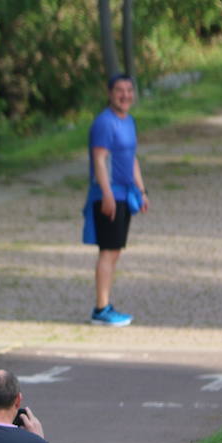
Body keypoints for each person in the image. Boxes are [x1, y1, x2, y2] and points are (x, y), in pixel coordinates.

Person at [83, 73, 150, 327]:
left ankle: (105, 304)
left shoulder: (129, 121)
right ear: (110, 93)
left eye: (129, 90)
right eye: (119, 90)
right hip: (108, 195)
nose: (125, 95)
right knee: (108, 251)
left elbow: (132, 159)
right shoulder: (104, 123)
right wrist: (107, 194)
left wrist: (142, 191)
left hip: (125, 194)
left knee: (114, 251)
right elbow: (100, 160)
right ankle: (101, 308)